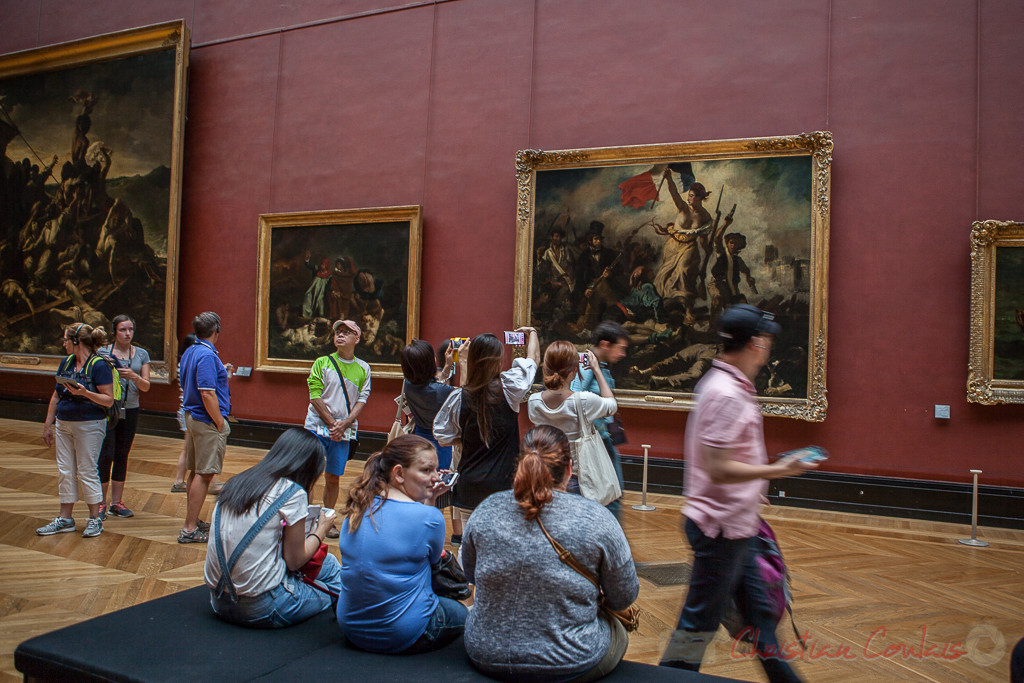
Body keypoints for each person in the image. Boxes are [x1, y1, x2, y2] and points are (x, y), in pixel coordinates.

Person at [659, 304, 816, 681]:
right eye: (767, 339)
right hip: (721, 530)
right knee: (698, 625)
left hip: (735, 525)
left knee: (759, 620)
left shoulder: (729, 386)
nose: (769, 347)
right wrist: (779, 469)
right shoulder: (726, 393)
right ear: (757, 343)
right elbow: (718, 467)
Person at [462, 425, 639, 681]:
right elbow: (624, 596)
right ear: (569, 469)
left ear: (520, 465)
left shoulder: (486, 510)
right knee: (619, 631)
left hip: (486, 650)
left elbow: (471, 574)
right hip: (569, 657)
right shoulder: (596, 518)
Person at [336, 434, 467, 654]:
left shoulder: (358, 507)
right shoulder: (430, 518)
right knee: (461, 613)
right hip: (401, 634)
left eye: (436, 470)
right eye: (426, 471)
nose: (436, 477)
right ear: (398, 473)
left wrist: (428, 501)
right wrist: (429, 506)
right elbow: (437, 564)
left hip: (351, 627)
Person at [204, 428, 342, 628]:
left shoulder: (237, 482)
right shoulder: (292, 493)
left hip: (218, 600)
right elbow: (294, 561)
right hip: (263, 607)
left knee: (327, 563)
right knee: (333, 588)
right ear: (310, 467)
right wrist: (321, 529)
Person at [433, 328, 539, 528]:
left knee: (471, 544)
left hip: (469, 487)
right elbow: (533, 360)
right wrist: (532, 333)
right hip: (503, 486)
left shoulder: (459, 397)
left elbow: (442, 436)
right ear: (498, 361)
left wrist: (468, 437)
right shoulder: (510, 387)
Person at [38, 323, 114, 538]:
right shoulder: (67, 362)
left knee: (87, 470)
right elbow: (56, 395)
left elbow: (108, 400)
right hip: (64, 423)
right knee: (65, 470)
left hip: (90, 425)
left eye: (65, 340)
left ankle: (94, 519)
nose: (63, 344)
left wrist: (84, 393)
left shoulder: (99, 365)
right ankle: (65, 519)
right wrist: (47, 424)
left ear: (76, 341)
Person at [303, 319, 370, 537]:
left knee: (333, 477)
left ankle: (327, 520)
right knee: (310, 475)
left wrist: (345, 423)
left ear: (356, 338)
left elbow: (362, 399)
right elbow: (315, 396)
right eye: (337, 332)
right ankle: (305, 520)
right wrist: (334, 424)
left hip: (343, 432)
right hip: (317, 427)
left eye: (346, 332)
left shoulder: (363, 368)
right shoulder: (322, 362)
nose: (340, 335)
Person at [528, 340, 617, 500]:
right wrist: (597, 370)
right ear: (575, 369)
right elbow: (611, 406)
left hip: (545, 475)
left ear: (546, 368)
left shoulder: (534, 402)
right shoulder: (583, 401)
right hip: (577, 477)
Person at [178, 312, 232, 544]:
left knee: (195, 471)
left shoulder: (191, 350)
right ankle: (189, 529)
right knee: (205, 473)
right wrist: (219, 422)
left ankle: (194, 519)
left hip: (193, 416)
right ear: (216, 330)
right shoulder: (207, 355)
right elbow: (207, 392)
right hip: (206, 420)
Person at [400, 339, 460, 538]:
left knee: (420, 488)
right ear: (430, 362)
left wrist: (448, 366)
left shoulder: (409, 385)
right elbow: (460, 393)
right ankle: (435, 535)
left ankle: (416, 531)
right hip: (440, 444)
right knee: (438, 491)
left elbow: (435, 384)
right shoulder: (441, 392)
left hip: (418, 440)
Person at [570, 320, 629, 517]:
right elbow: (575, 398)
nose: (622, 354)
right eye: (620, 349)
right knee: (610, 494)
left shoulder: (598, 364)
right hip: (595, 440)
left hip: (602, 438)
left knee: (612, 492)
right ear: (605, 344)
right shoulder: (586, 363)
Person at [96, 314, 151, 519]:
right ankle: (100, 503)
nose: (127, 333)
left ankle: (116, 502)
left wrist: (133, 376)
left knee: (122, 454)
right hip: (108, 410)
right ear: (115, 332)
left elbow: (146, 386)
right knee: (105, 454)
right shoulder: (103, 352)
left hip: (131, 409)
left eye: (130, 329)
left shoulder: (141, 354)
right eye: (123, 330)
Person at [652, 172, 714, 324]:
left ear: (700, 197)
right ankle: (667, 307)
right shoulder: (682, 207)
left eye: (692, 195)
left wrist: (707, 249)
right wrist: (668, 178)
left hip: (689, 247)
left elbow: (703, 238)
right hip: (672, 246)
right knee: (665, 276)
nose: (689, 198)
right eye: (689, 195)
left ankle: (688, 310)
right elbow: (673, 192)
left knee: (684, 271)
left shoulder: (705, 217)